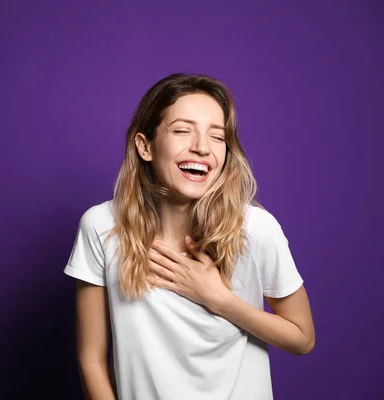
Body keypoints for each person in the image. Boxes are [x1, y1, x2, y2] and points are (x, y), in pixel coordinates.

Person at [63, 73, 315, 400]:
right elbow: (91, 358)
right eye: (182, 131)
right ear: (145, 146)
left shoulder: (256, 229)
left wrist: (218, 299)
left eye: (217, 136)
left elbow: (302, 338)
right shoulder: (101, 226)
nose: (201, 147)